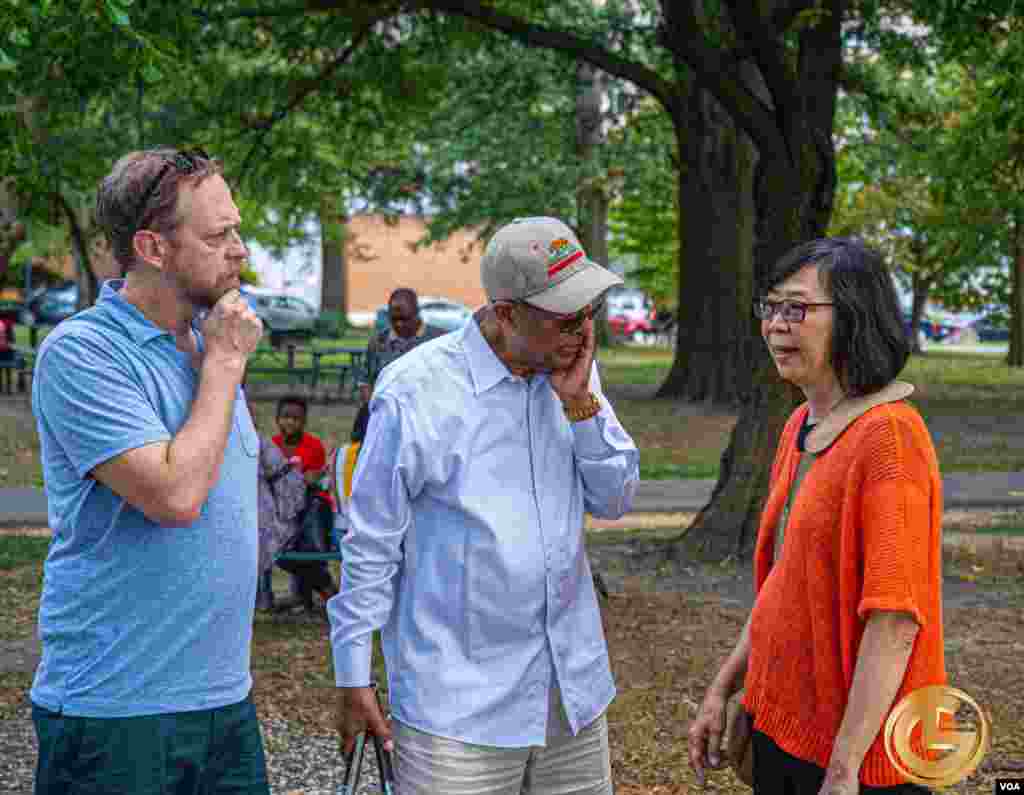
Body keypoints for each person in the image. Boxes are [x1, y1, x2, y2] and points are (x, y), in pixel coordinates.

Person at [330, 216, 639, 794]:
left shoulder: (575, 374)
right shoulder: (416, 390)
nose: (582, 331)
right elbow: (370, 543)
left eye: (587, 313)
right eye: (565, 318)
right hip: (457, 712)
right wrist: (353, 674)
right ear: (506, 313)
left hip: (570, 696)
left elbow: (617, 498)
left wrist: (582, 408)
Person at [30, 147, 269, 794]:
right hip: (117, 714)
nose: (239, 250)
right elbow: (175, 494)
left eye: (237, 229)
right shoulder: (82, 353)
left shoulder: (209, 340)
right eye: (219, 235)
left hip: (225, 702)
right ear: (152, 247)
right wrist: (223, 365)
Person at [688, 238, 945, 794]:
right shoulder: (803, 426)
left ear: (855, 318)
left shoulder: (890, 439)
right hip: (788, 736)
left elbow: (895, 622)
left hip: (862, 761)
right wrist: (725, 688)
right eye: (771, 306)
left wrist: (845, 768)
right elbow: (782, 591)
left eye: (797, 308)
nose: (776, 325)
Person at [268, 394, 338, 613]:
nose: (290, 422)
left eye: (296, 418)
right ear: (277, 419)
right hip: (283, 512)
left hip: (312, 511)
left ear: (303, 421)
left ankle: (319, 595)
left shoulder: (313, 446)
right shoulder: (273, 445)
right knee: (277, 552)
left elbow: (313, 480)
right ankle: (327, 590)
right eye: (285, 417)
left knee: (308, 551)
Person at [350, 287, 447, 441]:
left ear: (417, 313)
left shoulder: (439, 341)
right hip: (386, 424)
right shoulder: (378, 343)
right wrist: (376, 408)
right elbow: (365, 381)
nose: (399, 324)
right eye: (394, 319)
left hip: (428, 423)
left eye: (405, 319)